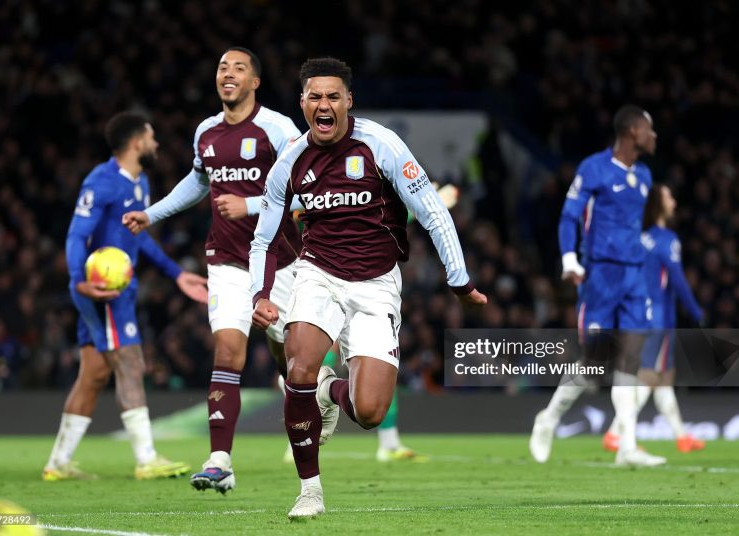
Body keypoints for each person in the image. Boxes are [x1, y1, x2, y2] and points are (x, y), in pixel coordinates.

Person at [249, 57, 487, 518]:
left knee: (370, 412)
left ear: (348, 101)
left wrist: (460, 281)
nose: (324, 104)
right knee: (297, 368)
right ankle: (309, 490)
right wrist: (260, 295)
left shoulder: (381, 145)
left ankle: (329, 392)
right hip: (317, 274)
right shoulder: (291, 161)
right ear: (302, 103)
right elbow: (263, 238)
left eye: (332, 96)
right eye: (314, 96)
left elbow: (435, 212)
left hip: (377, 284)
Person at [122, 47, 302, 494]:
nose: (228, 73)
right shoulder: (206, 132)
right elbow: (198, 181)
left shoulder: (278, 129)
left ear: (254, 82)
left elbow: (308, 191)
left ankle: (298, 392)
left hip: (280, 261)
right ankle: (220, 460)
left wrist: (251, 204)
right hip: (225, 261)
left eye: (239, 68)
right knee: (227, 354)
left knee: (292, 362)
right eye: (222, 66)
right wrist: (152, 213)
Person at [43, 112, 209, 481]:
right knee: (131, 362)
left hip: (118, 289)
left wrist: (177, 273)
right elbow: (75, 235)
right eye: (152, 137)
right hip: (104, 291)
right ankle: (146, 457)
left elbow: (138, 238)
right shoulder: (101, 182)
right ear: (136, 142)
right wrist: (78, 280)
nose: (157, 144)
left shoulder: (140, 182)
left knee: (95, 373)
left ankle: (58, 463)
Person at [529, 105, 667, 467]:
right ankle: (548, 418)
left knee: (632, 355)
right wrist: (569, 259)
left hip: (633, 275)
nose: (654, 136)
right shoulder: (593, 168)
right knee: (593, 361)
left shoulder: (646, 176)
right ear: (632, 133)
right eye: (649, 130)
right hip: (600, 275)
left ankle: (627, 446)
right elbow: (570, 215)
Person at [602, 184, 705, 453]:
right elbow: (678, 280)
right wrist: (695, 311)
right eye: (670, 196)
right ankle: (615, 432)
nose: (674, 201)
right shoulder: (666, 239)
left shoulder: (639, 239)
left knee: (662, 377)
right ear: (659, 204)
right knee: (649, 376)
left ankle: (681, 436)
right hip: (659, 317)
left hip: (637, 314)